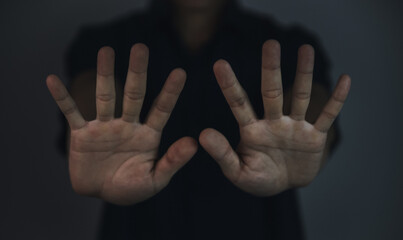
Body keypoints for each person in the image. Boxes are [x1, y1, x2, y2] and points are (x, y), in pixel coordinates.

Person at [46, 0, 351, 239]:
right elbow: (87, 93)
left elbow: (317, 115)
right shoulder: (104, 42)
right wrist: (90, 127)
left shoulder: (290, 45)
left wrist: (313, 141)